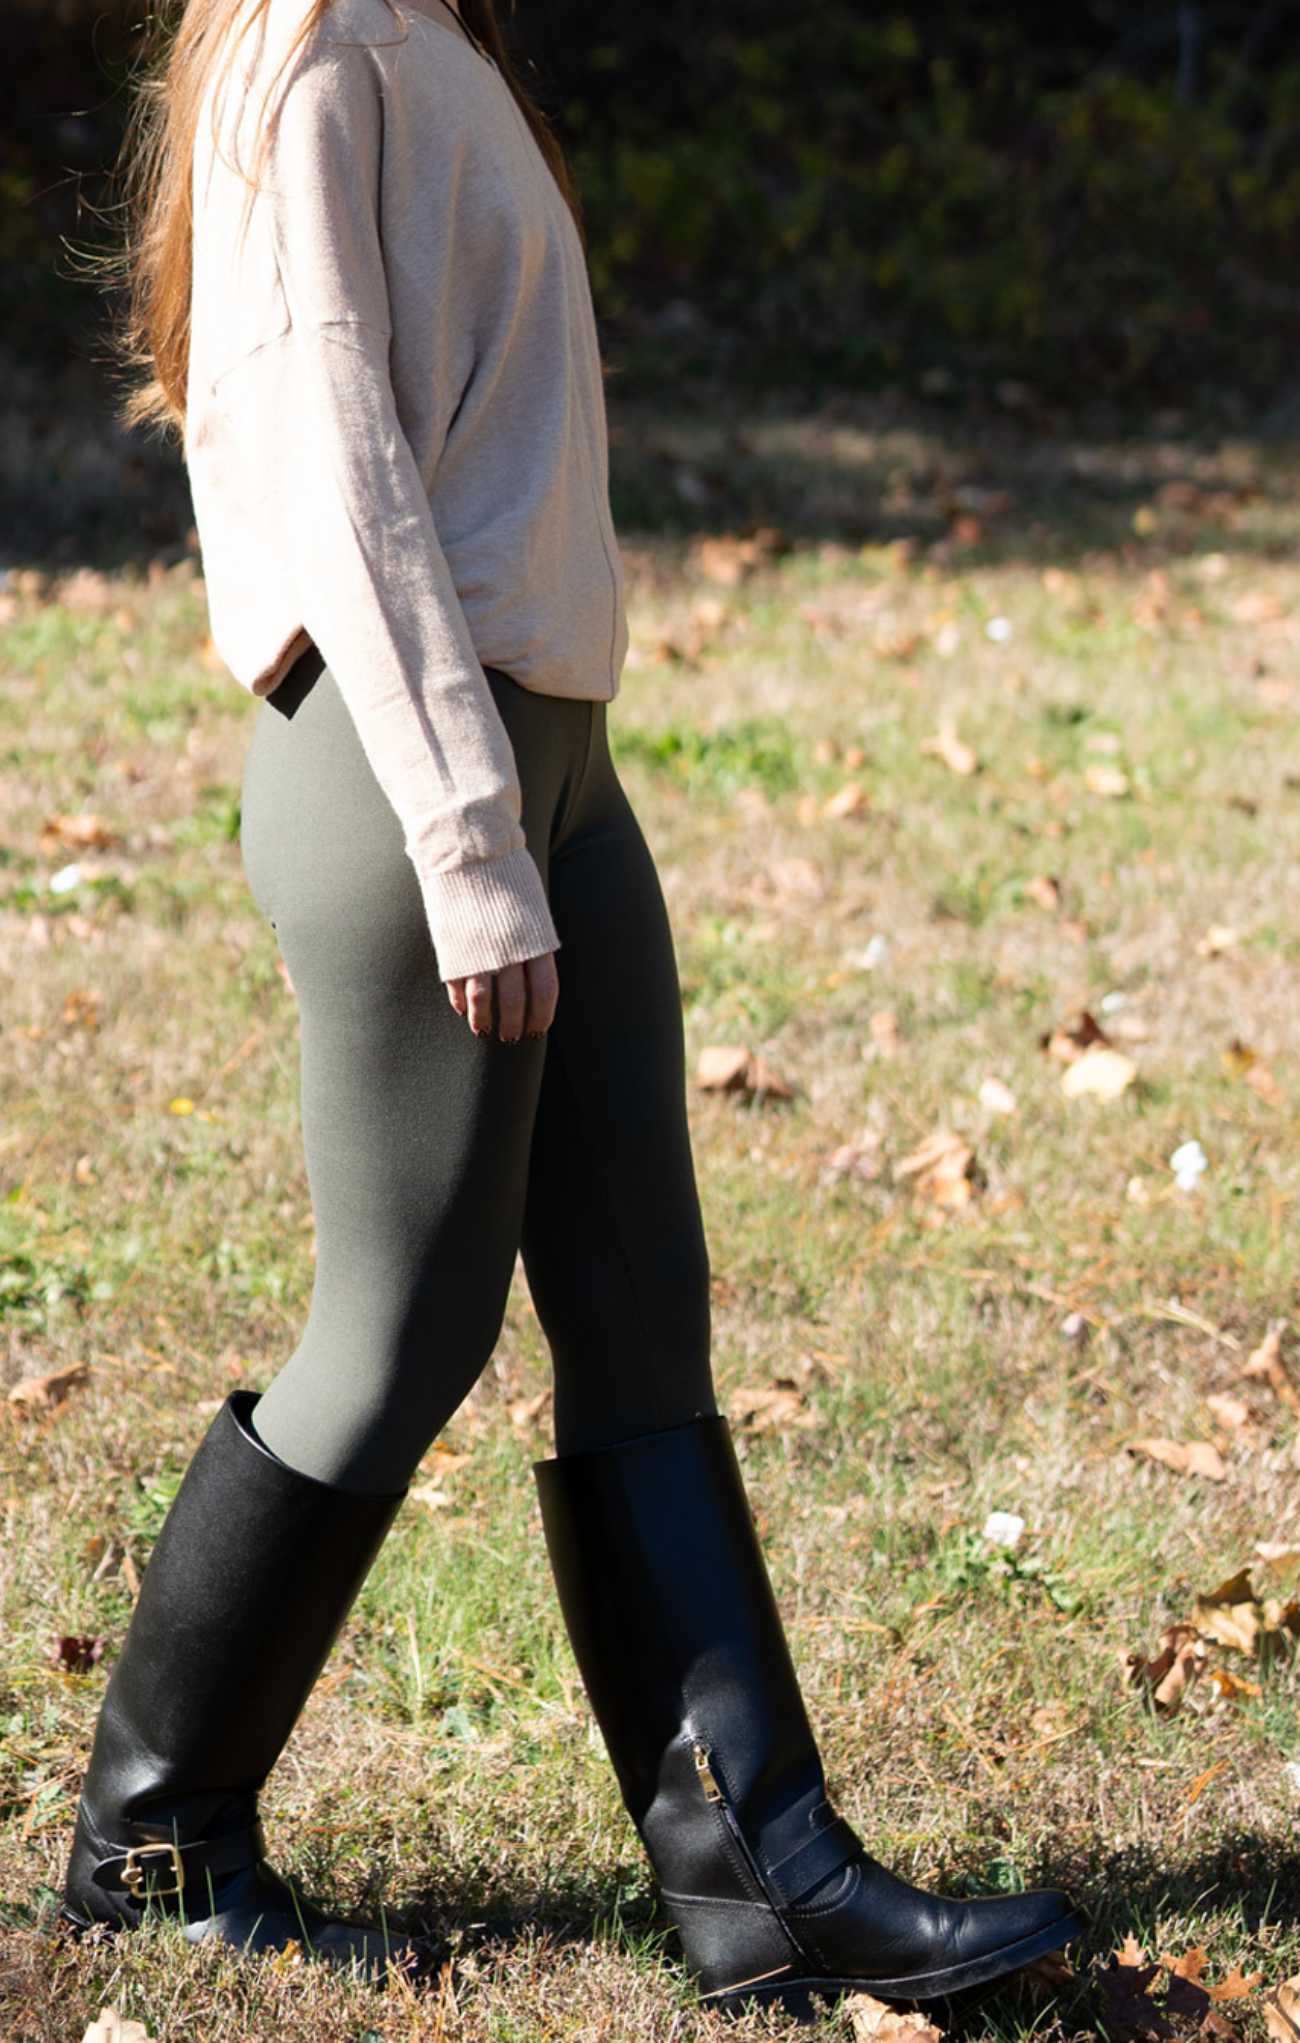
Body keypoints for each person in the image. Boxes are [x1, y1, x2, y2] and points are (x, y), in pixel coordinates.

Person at [60, 0, 1082, 2014]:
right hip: (408, 753)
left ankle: (761, 1876)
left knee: (637, 1306)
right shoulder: (319, 39)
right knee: (405, 1320)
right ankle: (149, 1836)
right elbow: (337, 447)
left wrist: (525, 792)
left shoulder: (424, 35)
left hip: (540, 747)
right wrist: (458, 826)